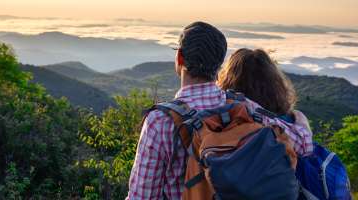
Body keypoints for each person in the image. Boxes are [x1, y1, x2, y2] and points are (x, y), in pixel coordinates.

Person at [127, 21, 228, 199]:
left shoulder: (160, 122)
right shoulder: (242, 108)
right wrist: (295, 118)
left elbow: (142, 196)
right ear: (220, 64)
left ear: (180, 58)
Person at [217, 48, 313, 155]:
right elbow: (305, 147)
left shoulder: (221, 109)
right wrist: (301, 121)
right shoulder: (274, 121)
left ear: (229, 78)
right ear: (273, 81)